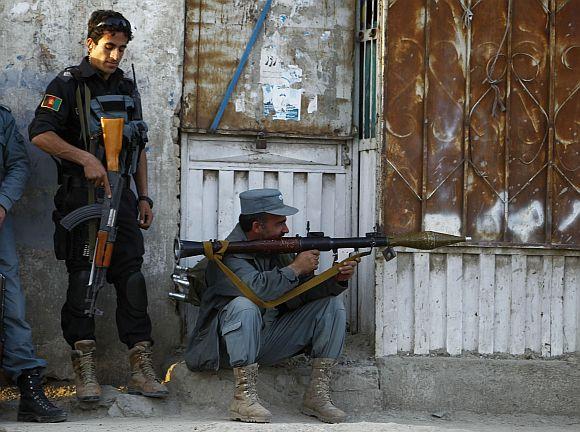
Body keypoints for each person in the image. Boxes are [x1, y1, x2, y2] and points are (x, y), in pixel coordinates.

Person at [28, 10, 167, 402]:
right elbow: (40, 133)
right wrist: (84, 158)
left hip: (121, 198)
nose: (116, 55)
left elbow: (138, 147)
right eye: (109, 47)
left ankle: (141, 365)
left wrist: (144, 195)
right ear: (90, 44)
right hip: (81, 200)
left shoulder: (127, 88)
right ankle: (84, 370)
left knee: (132, 279)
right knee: (82, 280)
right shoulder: (69, 85)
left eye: (122, 49)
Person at [185, 188, 359, 424]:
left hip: (268, 340)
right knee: (244, 306)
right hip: (227, 351)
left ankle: (317, 396)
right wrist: (296, 268)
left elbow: (299, 297)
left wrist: (336, 280)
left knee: (332, 307)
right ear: (257, 226)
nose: (286, 230)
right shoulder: (226, 255)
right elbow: (258, 291)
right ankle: (243, 398)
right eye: (280, 223)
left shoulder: (274, 249)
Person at [0, 104, 67, 422]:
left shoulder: (2, 118)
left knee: (11, 308)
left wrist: (2, 204)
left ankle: (28, 390)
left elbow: (18, 166)